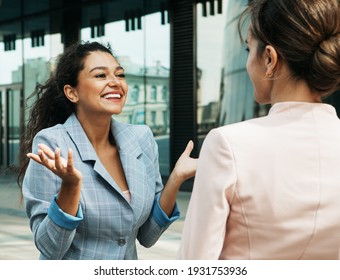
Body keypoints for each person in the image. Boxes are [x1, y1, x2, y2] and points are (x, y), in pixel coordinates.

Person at [178, 0, 340, 260]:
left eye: (248, 49)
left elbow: (195, 264)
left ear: (269, 58)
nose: (247, 63)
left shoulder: (227, 144)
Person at [17, 41, 197, 260]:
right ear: (72, 93)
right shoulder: (52, 143)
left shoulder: (141, 139)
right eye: (101, 76)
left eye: (119, 75)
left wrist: (177, 178)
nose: (115, 82)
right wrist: (71, 187)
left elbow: (148, 236)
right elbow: (50, 247)